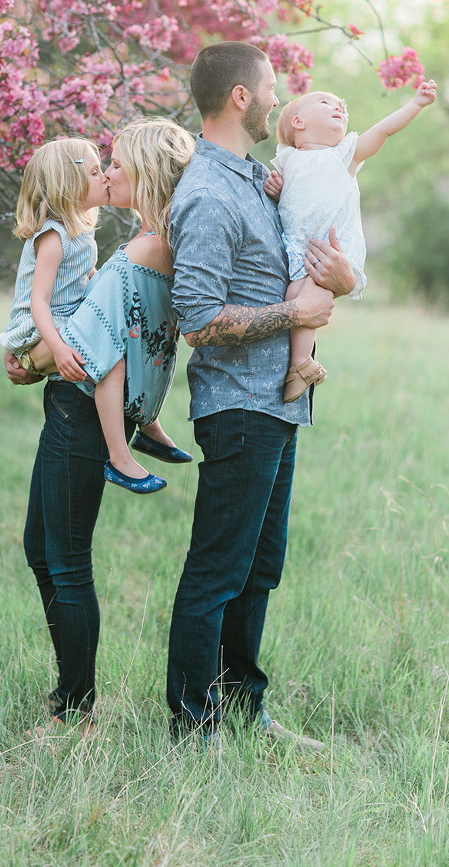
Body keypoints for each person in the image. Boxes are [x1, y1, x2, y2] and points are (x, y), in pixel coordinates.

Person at [166, 41, 357, 749]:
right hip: (238, 406)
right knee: (217, 569)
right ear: (240, 97)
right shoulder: (210, 193)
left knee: (259, 568)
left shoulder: (254, 180)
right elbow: (199, 321)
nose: (279, 99)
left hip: (277, 407)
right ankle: (192, 724)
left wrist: (334, 276)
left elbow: (304, 255)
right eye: (272, 86)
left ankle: (246, 708)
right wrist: (295, 317)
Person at [4, 118, 195, 730]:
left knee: (64, 559)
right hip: (78, 407)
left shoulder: (136, 252)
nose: (107, 173)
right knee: (43, 548)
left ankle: (76, 707)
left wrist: (26, 363)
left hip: (77, 410)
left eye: (114, 163)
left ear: (142, 174)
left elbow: (87, 341)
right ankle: (72, 692)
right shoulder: (158, 240)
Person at [0, 135, 186, 494]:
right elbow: (41, 301)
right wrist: (48, 350)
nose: (106, 177)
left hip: (67, 347)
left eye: (112, 167)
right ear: (69, 186)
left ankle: (146, 430)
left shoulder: (88, 234)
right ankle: (121, 454)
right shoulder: (55, 236)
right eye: (99, 169)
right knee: (111, 358)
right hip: (43, 327)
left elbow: (91, 283)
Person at [270, 80, 437, 401]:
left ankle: (300, 365)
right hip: (298, 247)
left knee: (307, 299)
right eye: (326, 103)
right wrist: (278, 193)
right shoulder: (287, 159)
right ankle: (301, 363)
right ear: (298, 122)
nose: (338, 108)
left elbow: (383, 131)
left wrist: (415, 104)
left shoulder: (345, 154)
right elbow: (292, 199)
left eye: (342, 107)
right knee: (293, 294)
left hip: (332, 251)